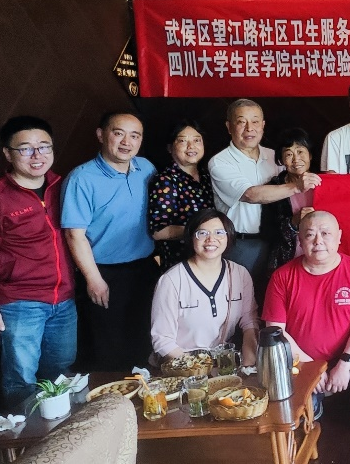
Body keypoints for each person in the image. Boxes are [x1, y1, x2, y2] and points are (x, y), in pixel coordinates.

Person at [0, 116, 76, 403]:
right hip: (20, 303)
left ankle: (61, 429)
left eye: (44, 146)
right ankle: (24, 430)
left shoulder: (63, 186)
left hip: (64, 299)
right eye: (25, 148)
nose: (37, 155)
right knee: (21, 378)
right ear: (8, 153)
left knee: (61, 370)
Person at [262, 211, 350, 438]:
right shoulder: (282, 277)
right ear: (300, 241)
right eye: (310, 235)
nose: (318, 241)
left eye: (326, 233)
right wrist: (311, 367)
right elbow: (276, 330)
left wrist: (345, 363)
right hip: (301, 358)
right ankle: (313, 401)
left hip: (345, 354)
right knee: (285, 369)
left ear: (339, 237)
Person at [62, 111, 157, 370]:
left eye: (135, 136)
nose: (127, 142)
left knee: (146, 338)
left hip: (145, 268)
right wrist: (93, 279)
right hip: (104, 272)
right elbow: (74, 235)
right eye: (118, 133)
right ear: (101, 135)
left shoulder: (146, 168)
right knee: (111, 345)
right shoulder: (82, 178)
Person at [211, 99, 320, 286]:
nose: (249, 128)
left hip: (282, 243)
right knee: (242, 295)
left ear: (262, 125)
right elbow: (250, 195)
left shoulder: (275, 156)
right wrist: (297, 187)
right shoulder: (220, 162)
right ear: (229, 126)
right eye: (241, 122)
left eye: (255, 121)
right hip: (243, 243)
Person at [150, 209, 258, 368]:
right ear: (191, 237)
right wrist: (199, 369)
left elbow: (249, 322)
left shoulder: (240, 274)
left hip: (223, 365)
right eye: (202, 233)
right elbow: (162, 339)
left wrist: (248, 364)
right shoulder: (172, 280)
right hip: (182, 366)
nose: (211, 239)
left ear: (228, 236)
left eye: (219, 232)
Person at [147, 120, 215, 269]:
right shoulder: (165, 180)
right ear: (170, 148)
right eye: (183, 141)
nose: (191, 146)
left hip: (210, 259)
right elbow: (158, 232)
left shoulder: (208, 176)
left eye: (197, 140)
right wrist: (203, 231)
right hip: (180, 262)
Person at [260, 128, 317, 268]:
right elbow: (267, 232)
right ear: (281, 160)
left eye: (300, 151)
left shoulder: (323, 184)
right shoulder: (273, 188)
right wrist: (293, 222)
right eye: (289, 154)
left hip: (320, 257)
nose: (296, 159)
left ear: (310, 155)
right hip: (286, 260)